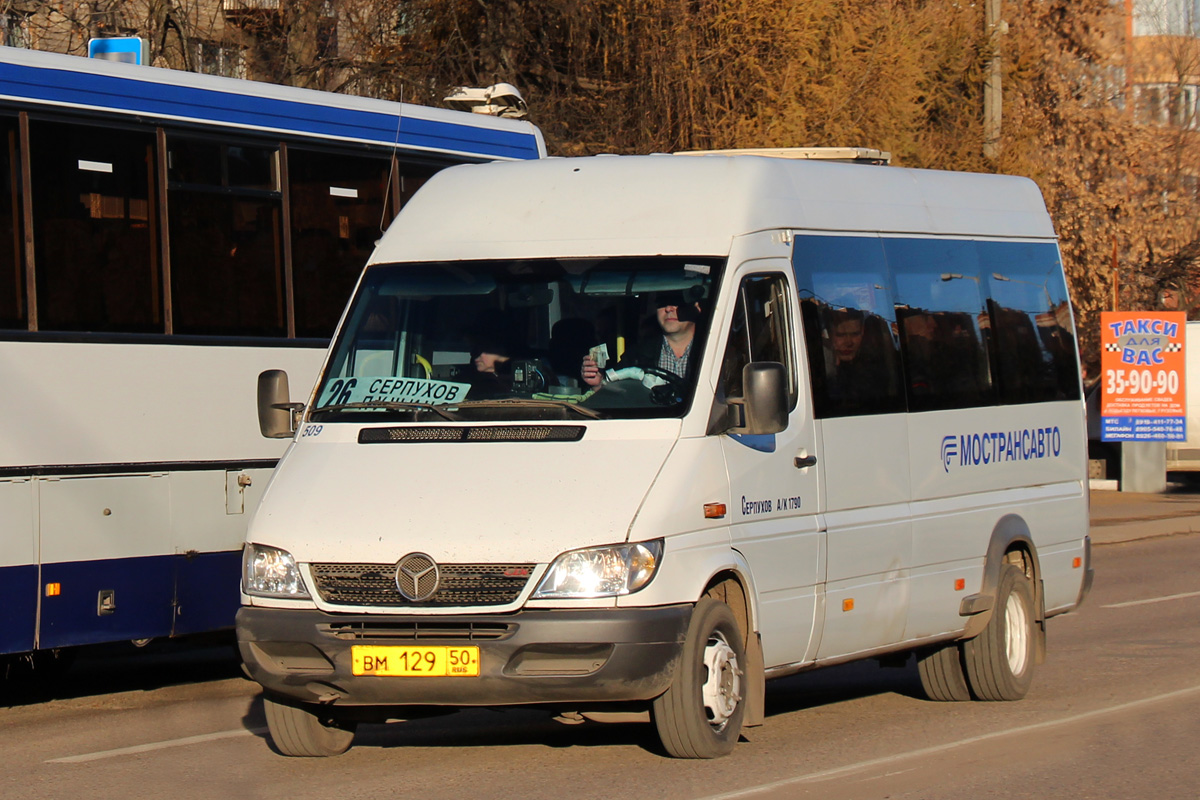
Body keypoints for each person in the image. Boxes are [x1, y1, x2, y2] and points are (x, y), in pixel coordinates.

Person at [580, 293, 701, 387]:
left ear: (697, 307)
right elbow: (616, 395)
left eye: (677, 302)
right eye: (662, 303)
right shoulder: (636, 354)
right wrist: (598, 382)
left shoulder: (714, 351)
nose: (669, 309)